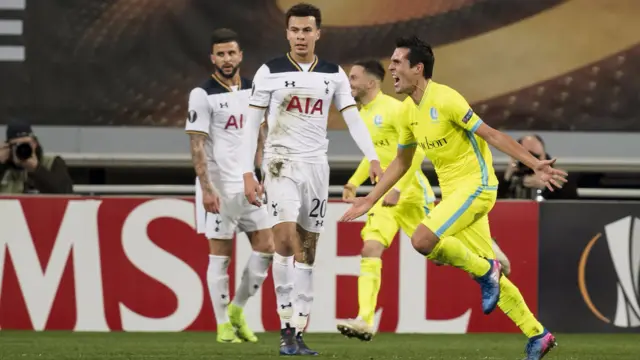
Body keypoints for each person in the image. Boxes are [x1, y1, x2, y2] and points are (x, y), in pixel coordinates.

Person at [340, 36, 567, 360]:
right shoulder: (407, 112)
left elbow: (490, 134)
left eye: (397, 62)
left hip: (477, 185)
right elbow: (402, 162)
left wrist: (534, 163)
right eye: (390, 62)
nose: (391, 68)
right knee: (452, 257)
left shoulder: (445, 99)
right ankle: (537, 334)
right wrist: (370, 199)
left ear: (418, 68)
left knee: (422, 240)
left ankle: (485, 268)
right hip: (454, 193)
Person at [241, 3, 383, 356]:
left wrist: (374, 157)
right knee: (285, 240)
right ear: (286, 33)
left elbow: (351, 118)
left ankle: (300, 328)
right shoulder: (269, 72)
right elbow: (251, 123)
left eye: (307, 30)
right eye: (295, 30)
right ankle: (285, 326)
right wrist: (247, 170)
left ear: (318, 33)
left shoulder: (333, 74)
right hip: (280, 165)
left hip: (317, 167)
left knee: (308, 252)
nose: (301, 36)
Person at [185, 28, 274, 344]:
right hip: (220, 187)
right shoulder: (203, 94)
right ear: (212, 58)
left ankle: (238, 309)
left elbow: (260, 136)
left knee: (267, 248)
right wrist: (206, 188)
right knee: (220, 257)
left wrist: (263, 174)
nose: (226, 59)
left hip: (249, 185)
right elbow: (197, 145)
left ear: (240, 55)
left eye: (231, 53)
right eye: (220, 54)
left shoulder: (254, 90)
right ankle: (222, 324)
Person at [336, 60, 436, 341]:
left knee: (439, 253)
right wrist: (354, 182)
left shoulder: (395, 109)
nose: (349, 83)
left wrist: (399, 188)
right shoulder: (361, 115)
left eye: (353, 78)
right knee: (370, 249)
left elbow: (416, 154)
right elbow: (375, 158)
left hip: (411, 193)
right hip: (382, 195)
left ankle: (484, 253)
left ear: (371, 82)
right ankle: (365, 321)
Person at [0, 119, 73, 194]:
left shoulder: (53, 163)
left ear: (35, 143)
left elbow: (66, 193)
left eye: (26, 144)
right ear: (8, 148)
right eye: (16, 145)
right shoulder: (5, 168)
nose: (22, 149)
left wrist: (37, 169)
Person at [499, 134, 578, 200]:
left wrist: (546, 187)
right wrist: (507, 179)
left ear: (544, 154)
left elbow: (570, 205)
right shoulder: (510, 175)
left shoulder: (559, 176)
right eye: (527, 156)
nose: (532, 162)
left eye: (535, 156)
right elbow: (495, 201)